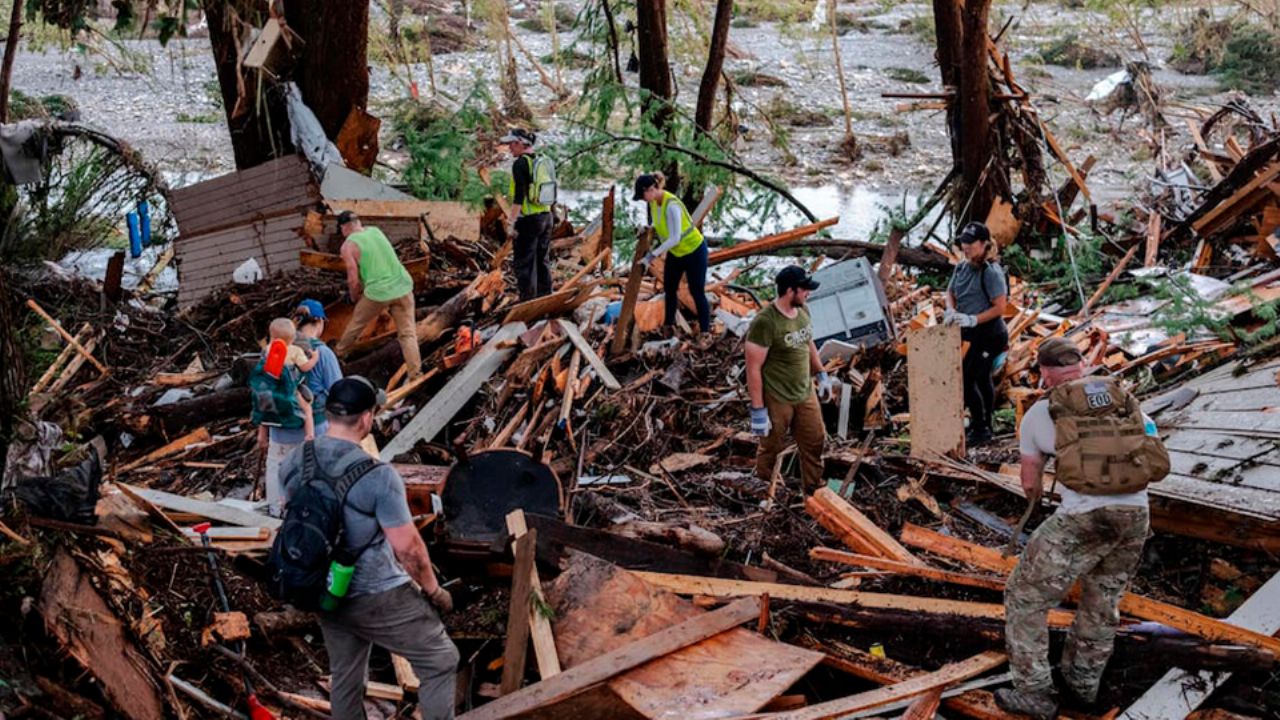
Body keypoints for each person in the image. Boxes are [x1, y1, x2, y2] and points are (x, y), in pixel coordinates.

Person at [997, 337, 1169, 719]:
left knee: (1024, 595)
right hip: (1136, 516)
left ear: (1043, 372)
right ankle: (1083, 686)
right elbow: (1152, 448)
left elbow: (1029, 483)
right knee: (1101, 601)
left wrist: (1044, 498)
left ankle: (1036, 692)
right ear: (1083, 366)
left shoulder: (1042, 413)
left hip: (1083, 517)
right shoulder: (1125, 402)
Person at [281, 377, 459, 719]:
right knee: (440, 660)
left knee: (346, 675)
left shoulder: (294, 462)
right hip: (376, 594)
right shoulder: (378, 476)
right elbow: (408, 549)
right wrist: (434, 591)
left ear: (326, 412)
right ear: (366, 419)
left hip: (324, 588)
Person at [745, 266, 834, 491]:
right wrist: (758, 411)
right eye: (804, 289)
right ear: (790, 290)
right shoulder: (765, 322)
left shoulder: (803, 311)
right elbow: (753, 367)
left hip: (805, 391)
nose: (808, 293)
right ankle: (765, 491)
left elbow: (808, 342)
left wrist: (821, 373)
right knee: (772, 446)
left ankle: (813, 492)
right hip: (777, 395)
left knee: (815, 440)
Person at [944, 221, 1008, 446]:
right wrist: (951, 310)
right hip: (969, 333)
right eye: (964, 242)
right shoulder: (961, 267)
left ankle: (982, 428)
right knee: (978, 377)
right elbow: (950, 291)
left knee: (969, 377)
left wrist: (973, 319)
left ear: (983, 244)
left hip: (990, 334)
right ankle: (984, 422)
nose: (966, 246)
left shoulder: (990, 272)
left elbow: (1000, 307)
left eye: (971, 243)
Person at [335, 210, 421, 378]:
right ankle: (416, 374)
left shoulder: (348, 246)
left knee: (356, 324)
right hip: (403, 285)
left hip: (378, 292)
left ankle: (337, 355)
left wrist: (354, 298)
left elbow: (353, 280)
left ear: (344, 227)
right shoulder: (375, 230)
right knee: (408, 334)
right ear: (358, 222)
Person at [255, 317, 318, 517]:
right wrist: (314, 357)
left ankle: (275, 509)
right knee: (307, 408)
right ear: (291, 339)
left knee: (274, 470)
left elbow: (263, 396)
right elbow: (307, 368)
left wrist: (262, 435)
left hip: (275, 421)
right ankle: (310, 434)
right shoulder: (296, 351)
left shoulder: (266, 353)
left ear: (272, 337)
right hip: (295, 413)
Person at [634, 172, 711, 335]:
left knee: (697, 291)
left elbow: (675, 237)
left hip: (694, 251)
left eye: (642, 195)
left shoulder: (672, 205)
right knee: (669, 288)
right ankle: (670, 326)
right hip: (677, 253)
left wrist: (652, 255)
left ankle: (705, 331)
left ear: (651, 189)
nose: (643, 199)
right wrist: (645, 228)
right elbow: (659, 225)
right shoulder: (654, 202)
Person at [501, 128, 556, 301]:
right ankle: (545, 299)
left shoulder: (520, 164)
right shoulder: (542, 161)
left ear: (520, 143)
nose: (509, 148)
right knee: (542, 261)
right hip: (546, 217)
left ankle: (528, 302)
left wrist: (511, 222)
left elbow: (519, 196)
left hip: (529, 220)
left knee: (524, 263)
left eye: (511, 144)